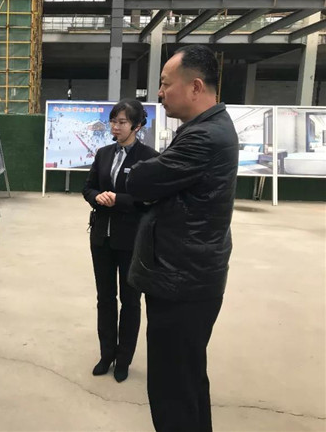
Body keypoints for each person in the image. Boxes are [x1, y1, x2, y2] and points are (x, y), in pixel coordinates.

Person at [125, 45, 238, 431]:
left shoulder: (205, 137)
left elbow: (140, 181)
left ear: (195, 87)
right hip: (189, 275)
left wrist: (144, 176)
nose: (159, 93)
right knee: (187, 382)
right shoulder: (206, 129)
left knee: (172, 390)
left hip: (182, 282)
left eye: (165, 84)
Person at [82, 99, 159, 382]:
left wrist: (120, 200)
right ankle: (106, 354)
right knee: (105, 298)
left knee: (130, 300)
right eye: (113, 121)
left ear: (137, 126)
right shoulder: (103, 154)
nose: (115, 127)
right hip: (101, 237)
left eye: (122, 122)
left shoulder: (149, 157)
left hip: (131, 240)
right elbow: (88, 187)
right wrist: (97, 197)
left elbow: (151, 197)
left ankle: (124, 359)